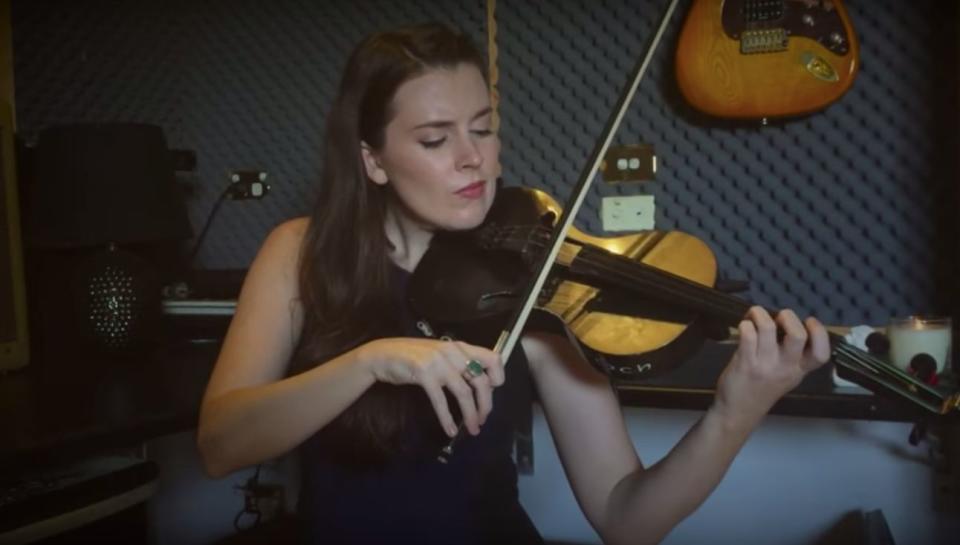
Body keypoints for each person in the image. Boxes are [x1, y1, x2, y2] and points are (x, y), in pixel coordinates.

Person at [197, 22, 831, 545]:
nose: (473, 158)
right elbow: (220, 444)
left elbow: (625, 518)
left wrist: (734, 412)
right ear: (373, 160)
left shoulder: (538, 284)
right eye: (435, 139)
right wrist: (370, 362)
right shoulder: (299, 253)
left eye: (483, 127)